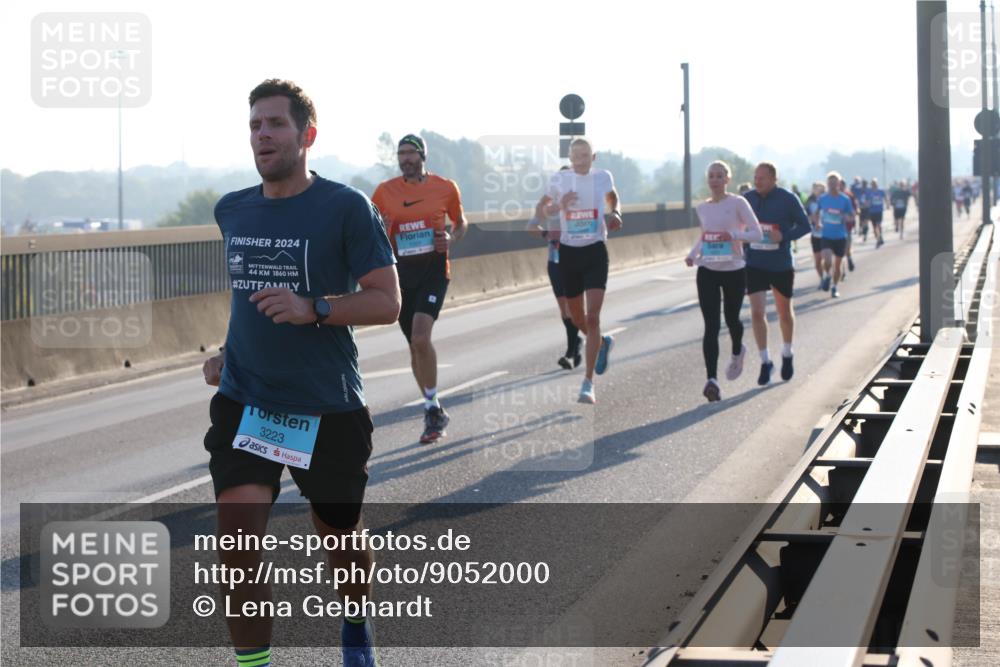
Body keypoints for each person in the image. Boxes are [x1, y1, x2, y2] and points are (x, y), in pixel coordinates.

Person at [202, 79, 400, 667]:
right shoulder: (232, 209)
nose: (263, 135)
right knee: (236, 545)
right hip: (247, 401)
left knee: (339, 538)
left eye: (276, 124)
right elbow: (246, 298)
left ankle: (356, 623)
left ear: (307, 134)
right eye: (255, 126)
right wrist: (228, 351)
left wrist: (314, 308)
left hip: (326, 405)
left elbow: (387, 301)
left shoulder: (345, 207)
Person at [372, 134, 468, 444]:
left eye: (411, 153)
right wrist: (382, 230)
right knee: (414, 346)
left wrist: (452, 237)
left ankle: (431, 411)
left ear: (422, 156)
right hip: (401, 277)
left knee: (420, 336)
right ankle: (433, 406)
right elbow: (370, 234)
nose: (406, 159)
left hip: (434, 272)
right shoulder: (385, 193)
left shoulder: (445, 187)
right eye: (401, 154)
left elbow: (461, 222)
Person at [535, 138, 623, 404]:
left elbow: (613, 198)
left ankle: (587, 383)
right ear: (570, 158)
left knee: (593, 317)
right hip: (569, 254)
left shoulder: (602, 177)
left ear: (593, 157)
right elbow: (541, 211)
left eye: (585, 155)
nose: (581, 160)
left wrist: (616, 213)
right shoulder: (560, 180)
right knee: (576, 318)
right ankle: (603, 343)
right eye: (576, 156)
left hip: (595, 250)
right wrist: (560, 206)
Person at [685, 160, 763, 402]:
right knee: (711, 325)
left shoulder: (738, 203)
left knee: (732, 319)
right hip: (708, 268)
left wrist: (735, 235)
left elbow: (757, 233)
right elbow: (705, 235)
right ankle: (712, 381)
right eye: (711, 176)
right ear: (708, 180)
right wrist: (692, 253)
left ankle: (738, 350)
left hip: (734, 269)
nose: (715, 180)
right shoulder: (703, 208)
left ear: (727, 179)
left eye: (720, 176)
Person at [743, 162, 812, 385]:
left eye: (761, 178)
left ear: (773, 179)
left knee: (784, 313)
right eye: (755, 177)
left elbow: (805, 226)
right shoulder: (747, 199)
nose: (757, 181)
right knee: (756, 313)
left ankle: (787, 352)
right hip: (754, 263)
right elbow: (736, 224)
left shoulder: (787, 198)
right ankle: (765, 361)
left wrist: (784, 235)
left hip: (780, 264)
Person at [527, 167, 583, 370]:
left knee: (573, 306)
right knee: (564, 309)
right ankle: (575, 344)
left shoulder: (579, 202)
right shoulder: (550, 205)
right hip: (554, 260)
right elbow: (531, 226)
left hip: (575, 259)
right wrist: (546, 235)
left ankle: (571, 351)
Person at [813, 171, 854, 299]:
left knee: (837, 265)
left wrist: (847, 217)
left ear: (838, 183)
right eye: (829, 183)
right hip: (826, 235)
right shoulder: (823, 198)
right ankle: (827, 276)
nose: (831, 185)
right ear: (827, 184)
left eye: (834, 182)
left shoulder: (845, 199)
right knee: (827, 260)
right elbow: (816, 213)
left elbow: (851, 215)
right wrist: (817, 223)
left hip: (840, 236)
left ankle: (835, 287)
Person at [805, 182, 826, 288]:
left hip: (827, 235)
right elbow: (806, 216)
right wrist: (812, 220)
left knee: (827, 259)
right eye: (815, 189)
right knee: (818, 261)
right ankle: (822, 279)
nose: (817, 191)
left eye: (819, 189)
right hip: (815, 234)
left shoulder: (827, 200)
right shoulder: (809, 202)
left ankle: (829, 276)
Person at [867, 177, 887, 248]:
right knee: (874, 227)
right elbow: (867, 201)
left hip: (879, 211)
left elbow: (885, 198)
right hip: (872, 211)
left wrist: (887, 204)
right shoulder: (869, 192)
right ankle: (879, 238)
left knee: (878, 225)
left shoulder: (880, 191)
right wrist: (867, 204)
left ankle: (879, 238)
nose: (874, 185)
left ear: (877, 184)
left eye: (875, 183)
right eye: (872, 184)